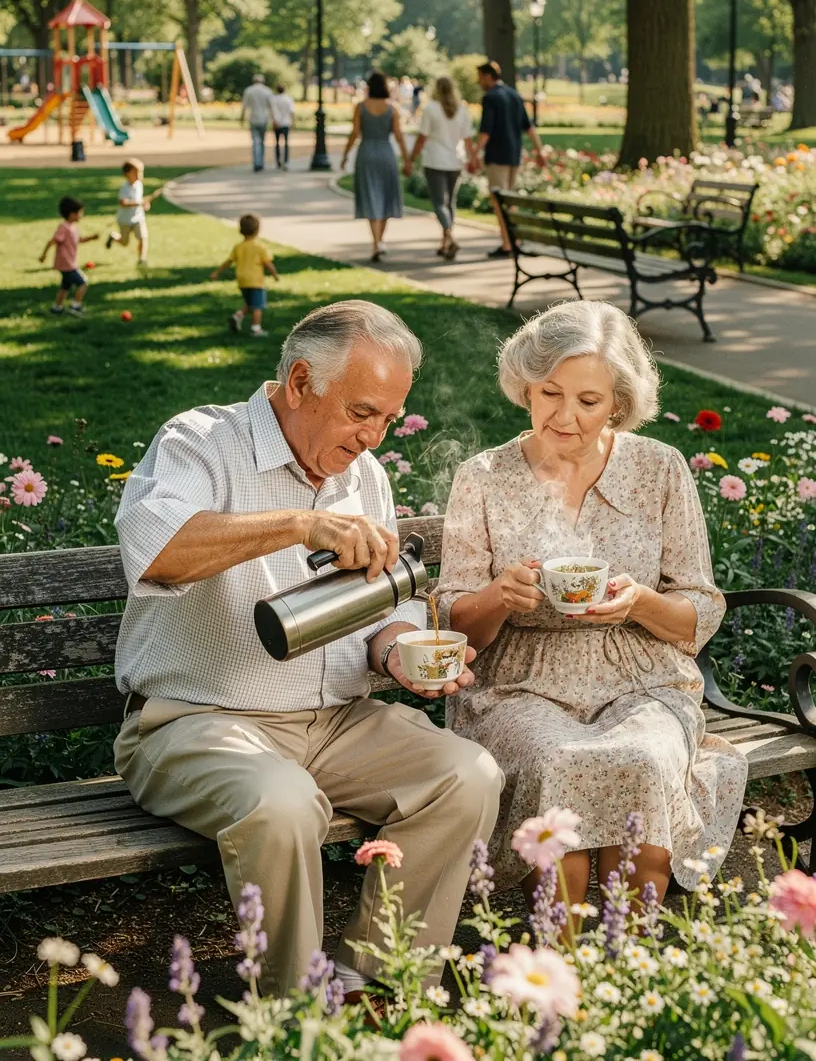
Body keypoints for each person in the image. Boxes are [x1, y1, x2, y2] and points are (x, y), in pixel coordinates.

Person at [112, 300, 502, 999]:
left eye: (387, 418)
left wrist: (398, 651)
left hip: (336, 723)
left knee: (467, 773)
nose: (373, 437)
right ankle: (294, 1016)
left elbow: (381, 606)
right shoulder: (199, 443)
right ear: (299, 384)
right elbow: (158, 553)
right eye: (361, 413)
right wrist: (299, 525)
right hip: (196, 721)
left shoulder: (364, 477)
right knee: (284, 801)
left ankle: (377, 987)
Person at [435, 299, 747, 908]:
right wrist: (499, 596)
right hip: (519, 685)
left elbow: (699, 610)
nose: (567, 417)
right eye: (550, 393)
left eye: (590, 401)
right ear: (525, 387)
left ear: (619, 405)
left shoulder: (659, 468)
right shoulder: (484, 475)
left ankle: (627, 963)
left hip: (644, 679)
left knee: (644, 760)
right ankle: (565, 965)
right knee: (560, 759)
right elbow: (455, 624)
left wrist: (638, 603)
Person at [470, 61, 547, 259]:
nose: (479, 82)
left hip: (497, 156)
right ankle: (515, 240)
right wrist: (539, 151)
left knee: (499, 201)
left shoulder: (491, 98)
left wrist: (476, 153)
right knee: (510, 200)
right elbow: (528, 127)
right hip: (513, 155)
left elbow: (486, 131)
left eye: (480, 77)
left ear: (488, 76)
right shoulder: (514, 95)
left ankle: (507, 244)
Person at [340, 72, 408, 263]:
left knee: (371, 195)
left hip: (367, 152)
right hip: (386, 153)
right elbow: (399, 135)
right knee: (386, 195)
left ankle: (376, 242)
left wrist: (345, 155)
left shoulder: (361, 107)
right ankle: (381, 241)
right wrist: (407, 158)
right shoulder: (392, 108)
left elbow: (354, 133)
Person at [405, 76, 474, 261]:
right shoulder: (462, 110)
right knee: (450, 202)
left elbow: (422, 138)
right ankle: (445, 243)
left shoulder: (431, 109)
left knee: (439, 203)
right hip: (455, 161)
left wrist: (411, 159)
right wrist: (473, 159)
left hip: (435, 160)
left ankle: (449, 237)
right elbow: (468, 139)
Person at [210, 212, 280, 337]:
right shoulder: (260, 247)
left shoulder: (238, 247)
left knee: (250, 303)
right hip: (255, 281)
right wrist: (275, 274)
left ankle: (237, 317)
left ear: (241, 230)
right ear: (257, 230)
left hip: (242, 280)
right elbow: (268, 263)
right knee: (258, 306)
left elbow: (229, 261)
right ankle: (256, 328)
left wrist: (217, 272)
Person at [39, 195, 99, 316]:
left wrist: (91, 238)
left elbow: (78, 240)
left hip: (68, 263)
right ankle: (75, 306)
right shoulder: (64, 227)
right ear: (72, 214)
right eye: (80, 212)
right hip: (67, 264)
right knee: (82, 283)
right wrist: (44, 255)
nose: (82, 215)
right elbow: (53, 241)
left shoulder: (72, 227)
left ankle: (57, 308)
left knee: (65, 286)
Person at [106, 159, 152, 265]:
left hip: (138, 218)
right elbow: (123, 203)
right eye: (136, 172)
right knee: (124, 242)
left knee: (143, 237)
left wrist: (145, 205)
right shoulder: (124, 188)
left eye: (140, 172)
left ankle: (142, 259)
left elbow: (139, 199)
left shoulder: (139, 185)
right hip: (125, 220)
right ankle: (113, 236)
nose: (139, 175)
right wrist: (139, 203)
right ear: (127, 174)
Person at [241, 73, 276, 172]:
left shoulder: (249, 90)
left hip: (253, 118)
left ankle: (257, 162)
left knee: (255, 141)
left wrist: (242, 118)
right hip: (264, 119)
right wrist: (274, 119)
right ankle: (261, 162)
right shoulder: (267, 91)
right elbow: (271, 107)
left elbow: (244, 106)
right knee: (262, 141)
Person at [271, 84, 295, 171]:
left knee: (277, 143)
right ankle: (286, 161)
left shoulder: (274, 99)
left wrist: (273, 122)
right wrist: (294, 123)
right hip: (286, 123)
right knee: (286, 143)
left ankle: (278, 161)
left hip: (277, 123)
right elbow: (292, 112)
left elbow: (272, 112)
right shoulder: (288, 99)